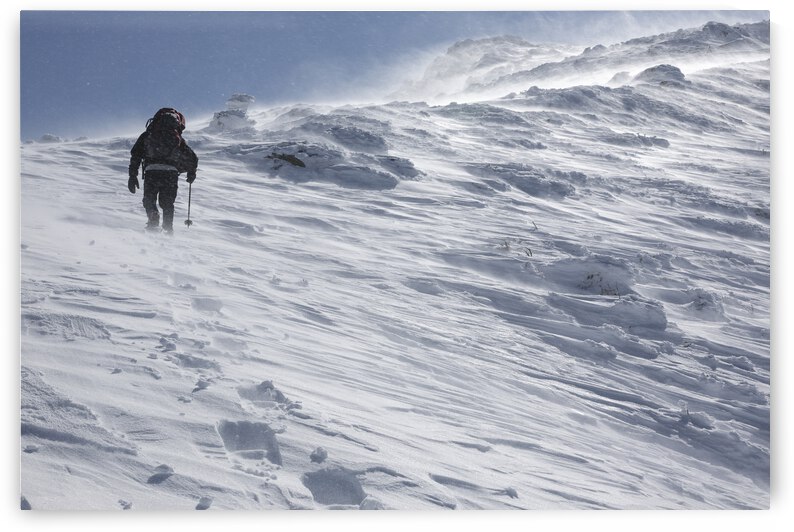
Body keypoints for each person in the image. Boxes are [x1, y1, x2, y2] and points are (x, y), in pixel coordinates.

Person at [128, 108, 198, 233]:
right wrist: (191, 173)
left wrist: (132, 176)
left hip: (151, 171)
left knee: (149, 200)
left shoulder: (148, 134)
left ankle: (153, 217)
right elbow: (192, 157)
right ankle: (168, 230)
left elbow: (136, 155)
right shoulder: (178, 138)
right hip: (170, 173)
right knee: (167, 203)